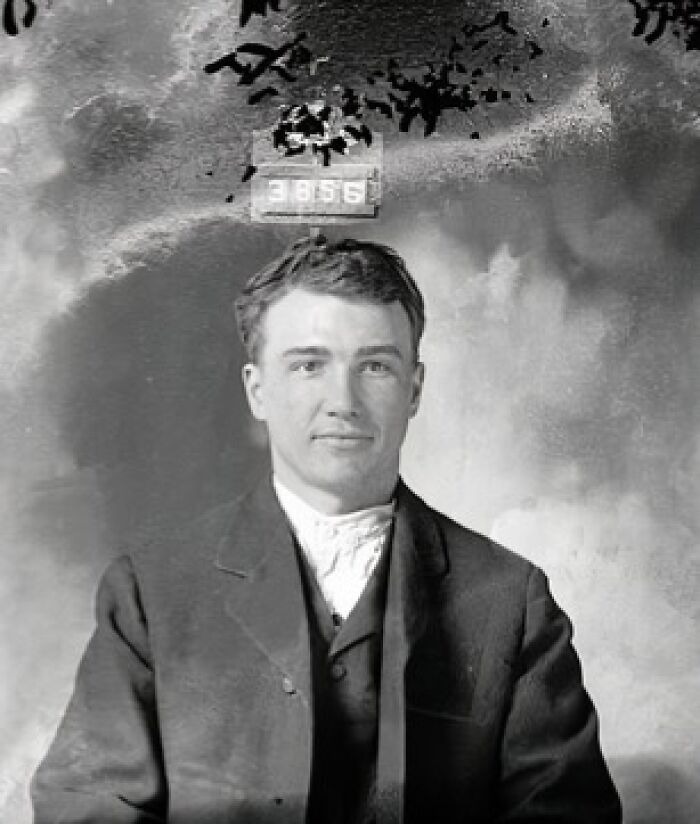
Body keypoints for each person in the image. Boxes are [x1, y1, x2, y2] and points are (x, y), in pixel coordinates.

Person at [31, 235, 622, 823]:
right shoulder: (150, 594)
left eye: (374, 366)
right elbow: (86, 810)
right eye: (309, 365)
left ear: (414, 390)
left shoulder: (512, 602)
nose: (343, 400)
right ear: (257, 390)